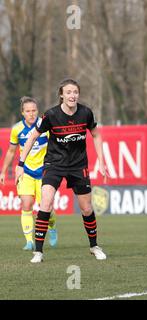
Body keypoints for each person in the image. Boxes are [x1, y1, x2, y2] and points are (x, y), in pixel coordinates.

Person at [15, 79, 108, 263]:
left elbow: (96, 134)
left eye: (75, 92)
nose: (72, 95)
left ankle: (94, 246)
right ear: (61, 95)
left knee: (86, 208)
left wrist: (102, 162)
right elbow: (33, 136)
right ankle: (39, 252)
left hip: (78, 165)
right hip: (54, 165)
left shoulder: (86, 113)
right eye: (68, 92)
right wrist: (20, 164)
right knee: (46, 203)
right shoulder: (50, 115)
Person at [0, 97, 58, 251]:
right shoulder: (17, 129)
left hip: (44, 172)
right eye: (28, 111)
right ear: (22, 113)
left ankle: (52, 228)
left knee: (48, 209)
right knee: (26, 204)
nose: (31, 114)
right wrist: (4, 171)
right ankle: (29, 241)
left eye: (34, 110)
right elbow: (11, 151)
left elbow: (55, 146)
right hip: (25, 172)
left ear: (37, 111)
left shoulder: (44, 126)